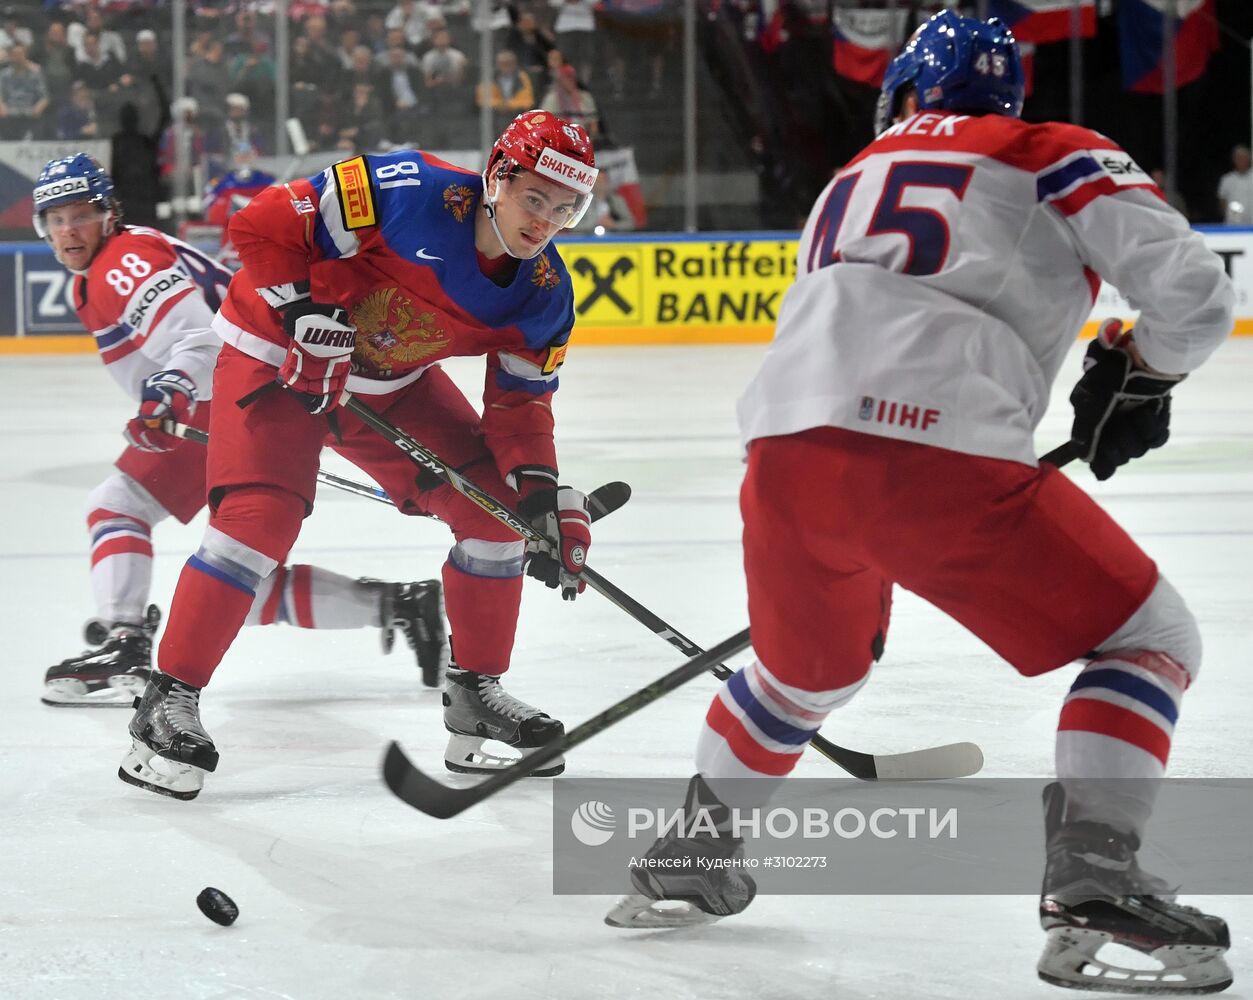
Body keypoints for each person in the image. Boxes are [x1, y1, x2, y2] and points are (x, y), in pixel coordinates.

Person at [605, 13, 1235, 996]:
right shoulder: (1046, 148)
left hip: (781, 457)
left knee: (793, 679)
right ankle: (1091, 877)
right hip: (938, 456)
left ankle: (696, 846)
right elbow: (1191, 295)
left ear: (904, 90)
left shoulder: (846, 178)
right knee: (1148, 638)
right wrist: (1142, 377)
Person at [116, 110, 600, 801]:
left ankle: (475, 697)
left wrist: (541, 500)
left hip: (392, 384)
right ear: (498, 175)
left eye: (564, 208)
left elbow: (520, 407)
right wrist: (300, 310)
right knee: (259, 519)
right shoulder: (410, 187)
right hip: (278, 359)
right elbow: (262, 223)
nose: (545, 221)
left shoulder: (545, 296)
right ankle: (165, 701)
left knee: (496, 517)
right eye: (534, 199)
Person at [33, 154, 447, 710]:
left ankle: (124, 642)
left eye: (79, 214)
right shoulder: (117, 260)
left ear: (109, 215)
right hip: (254, 385)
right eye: (54, 220)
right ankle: (397, 605)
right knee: (239, 576)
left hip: (221, 391)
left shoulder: (120, 261)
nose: (67, 231)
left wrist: (167, 390)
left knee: (118, 508)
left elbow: (197, 341)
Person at [1217, 144, 1252, 225]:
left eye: (1244, 158)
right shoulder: (1226, 179)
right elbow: (1222, 201)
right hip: (1233, 225)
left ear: (1249, 159)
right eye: (1238, 158)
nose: (1241, 161)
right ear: (1234, 160)